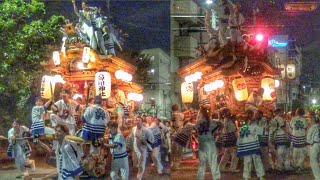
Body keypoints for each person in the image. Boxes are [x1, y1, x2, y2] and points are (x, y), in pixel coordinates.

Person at [237, 110, 265, 180]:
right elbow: (263, 132)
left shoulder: (242, 128)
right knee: (257, 161)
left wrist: (239, 147)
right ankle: (261, 176)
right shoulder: (254, 126)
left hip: (246, 147)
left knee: (247, 162)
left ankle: (246, 176)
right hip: (254, 146)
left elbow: (239, 139)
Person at [195, 108, 221, 180]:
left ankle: (200, 177)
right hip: (210, 144)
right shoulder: (211, 121)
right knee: (213, 162)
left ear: (200, 113)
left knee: (202, 163)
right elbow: (216, 129)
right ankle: (216, 177)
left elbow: (196, 131)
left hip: (202, 144)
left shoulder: (198, 122)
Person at [219, 108, 239, 172]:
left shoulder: (226, 120)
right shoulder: (227, 120)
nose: (230, 113)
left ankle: (221, 167)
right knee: (235, 154)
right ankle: (232, 168)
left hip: (227, 139)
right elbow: (231, 130)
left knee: (227, 154)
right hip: (230, 139)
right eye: (229, 112)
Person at [306, 115, 320, 180]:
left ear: (313, 121)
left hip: (315, 145)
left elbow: (308, 139)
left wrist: (310, 143)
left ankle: (318, 177)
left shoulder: (312, 128)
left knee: (313, 161)